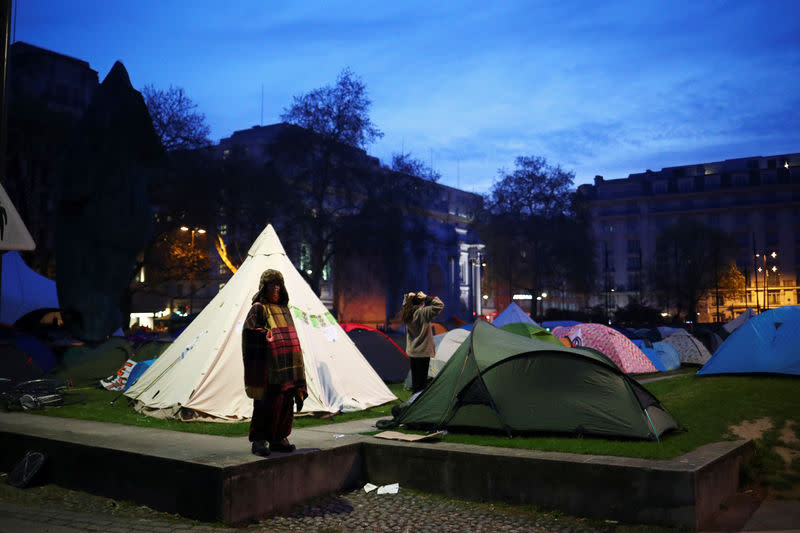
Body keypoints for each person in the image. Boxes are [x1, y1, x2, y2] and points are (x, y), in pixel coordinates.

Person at [241, 269, 307, 457]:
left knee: (285, 404)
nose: (275, 287)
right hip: (269, 369)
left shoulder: (284, 308)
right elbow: (249, 331)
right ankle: (259, 441)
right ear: (264, 286)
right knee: (266, 405)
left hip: (288, 368)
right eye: (272, 284)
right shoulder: (258, 308)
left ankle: (279, 438)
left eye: (278, 284)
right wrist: (265, 335)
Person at [402, 290, 444, 393]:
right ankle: (419, 403)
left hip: (413, 352)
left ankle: (414, 400)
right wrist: (426, 297)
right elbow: (439, 305)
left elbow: (405, 305)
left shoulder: (408, 313)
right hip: (423, 352)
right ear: (422, 303)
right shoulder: (423, 313)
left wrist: (408, 297)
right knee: (422, 383)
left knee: (416, 380)